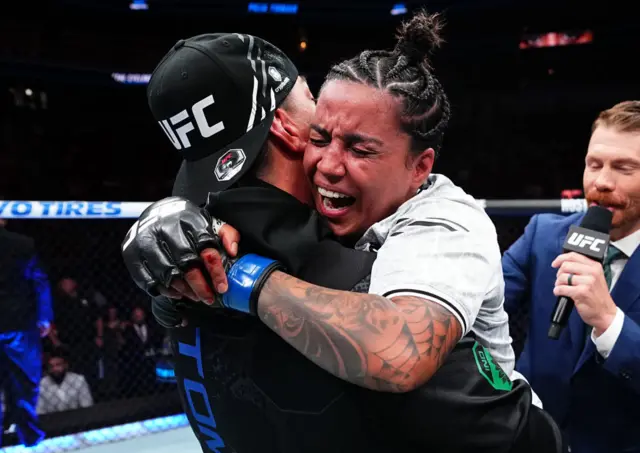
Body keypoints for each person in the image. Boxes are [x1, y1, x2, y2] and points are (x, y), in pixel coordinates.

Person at [123, 14, 563, 453]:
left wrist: (239, 279)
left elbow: (401, 354)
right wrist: (174, 265)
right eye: (321, 137)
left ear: (421, 166)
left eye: (359, 149)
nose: (328, 166)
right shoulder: (305, 207)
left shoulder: (444, 223)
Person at [502, 100, 640, 453]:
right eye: (594, 164)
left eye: (624, 168)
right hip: (528, 441)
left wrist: (609, 322)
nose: (602, 181)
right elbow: (479, 305)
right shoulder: (543, 236)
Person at [0, 216, 51, 447]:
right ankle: (29, 436)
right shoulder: (22, 243)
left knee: (24, 382)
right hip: (19, 323)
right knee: (26, 383)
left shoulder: (23, 243)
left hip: (19, 322)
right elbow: (39, 280)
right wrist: (44, 316)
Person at [36, 348, 94, 414]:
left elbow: (87, 406)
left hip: (78, 420)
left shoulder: (78, 380)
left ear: (66, 365)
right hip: (52, 422)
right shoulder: (42, 384)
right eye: (51, 366)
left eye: (58, 365)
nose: (54, 369)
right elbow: (40, 412)